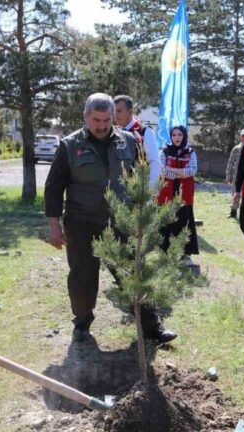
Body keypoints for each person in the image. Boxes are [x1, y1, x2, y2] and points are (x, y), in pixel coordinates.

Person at [44, 93, 177, 343]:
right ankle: (82, 323)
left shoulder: (128, 141)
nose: (102, 125)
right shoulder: (70, 146)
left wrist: (140, 213)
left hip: (120, 220)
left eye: (107, 120)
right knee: (83, 275)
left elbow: (139, 178)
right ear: (85, 117)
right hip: (82, 221)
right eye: (96, 120)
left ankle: (151, 325)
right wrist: (54, 225)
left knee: (133, 272)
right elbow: (53, 188)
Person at [158, 125, 199, 260]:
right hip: (167, 191)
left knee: (184, 220)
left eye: (180, 135)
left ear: (184, 136)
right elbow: (162, 170)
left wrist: (172, 170)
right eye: (174, 135)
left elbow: (192, 170)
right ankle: (164, 249)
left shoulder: (191, 151)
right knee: (166, 220)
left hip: (184, 193)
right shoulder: (164, 151)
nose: (177, 138)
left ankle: (184, 252)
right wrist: (180, 174)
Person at [113, 95, 161, 187]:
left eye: (119, 111)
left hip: (139, 190)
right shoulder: (114, 132)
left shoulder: (145, 132)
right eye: (114, 111)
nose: (115, 114)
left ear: (130, 112)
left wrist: (149, 193)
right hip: (118, 190)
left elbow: (154, 163)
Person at [225, 129, 244, 218]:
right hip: (236, 175)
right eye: (242, 136)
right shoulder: (236, 149)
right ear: (240, 137)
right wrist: (228, 175)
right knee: (235, 192)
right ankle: (233, 212)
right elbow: (230, 162)